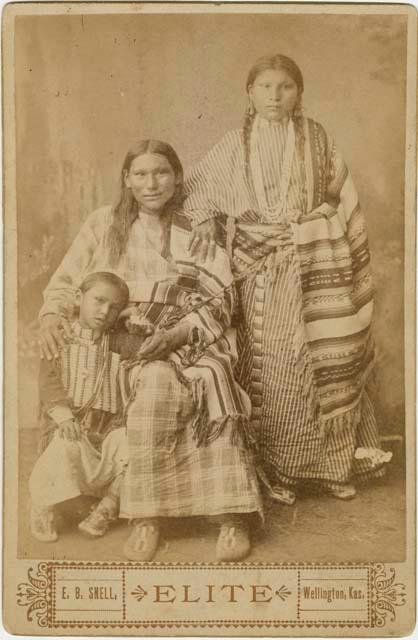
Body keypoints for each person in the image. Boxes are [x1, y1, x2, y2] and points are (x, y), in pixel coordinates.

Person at [38, 139, 262, 561]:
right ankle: (147, 518)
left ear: (177, 177)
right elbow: (67, 282)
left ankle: (231, 516)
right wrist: (52, 315)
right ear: (126, 179)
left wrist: (179, 335)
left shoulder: (197, 225)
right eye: (140, 174)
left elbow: (223, 298)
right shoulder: (104, 224)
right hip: (127, 341)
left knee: (208, 380)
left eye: (161, 172)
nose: (151, 182)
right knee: (156, 381)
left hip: (195, 337)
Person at [184, 54, 392, 504]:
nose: (275, 96)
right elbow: (198, 189)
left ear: (299, 93)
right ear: (250, 93)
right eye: (265, 87)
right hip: (259, 271)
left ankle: (334, 468)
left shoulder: (318, 139)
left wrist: (310, 227)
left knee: (330, 365)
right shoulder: (233, 143)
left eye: (285, 87)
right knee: (277, 363)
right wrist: (203, 218)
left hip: (316, 263)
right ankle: (282, 469)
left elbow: (341, 198)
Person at [30, 271, 131, 543]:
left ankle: (106, 507)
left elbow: (144, 347)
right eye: (98, 300)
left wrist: (137, 324)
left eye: (114, 308)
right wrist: (63, 417)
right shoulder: (60, 337)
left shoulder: (119, 341)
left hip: (105, 432)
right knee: (65, 445)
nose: (104, 311)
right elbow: (48, 381)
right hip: (70, 427)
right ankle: (43, 505)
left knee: (131, 446)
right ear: (78, 297)